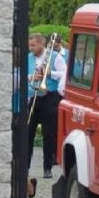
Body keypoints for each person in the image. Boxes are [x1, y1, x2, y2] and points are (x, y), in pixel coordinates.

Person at [25, 33, 68, 181]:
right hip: (35, 96)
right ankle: (26, 167)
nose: (31, 48)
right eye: (30, 45)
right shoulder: (29, 58)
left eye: (33, 45)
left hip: (50, 97)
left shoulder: (55, 57)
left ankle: (47, 168)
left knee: (48, 134)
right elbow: (24, 75)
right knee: (28, 132)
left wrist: (50, 73)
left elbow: (64, 73)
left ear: (41, 44)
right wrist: (32, 77)